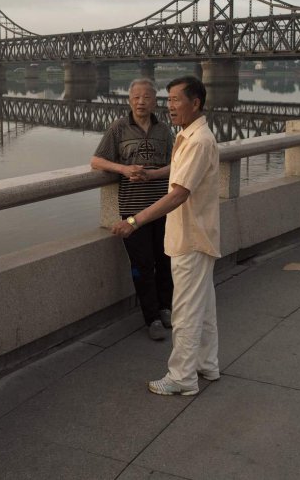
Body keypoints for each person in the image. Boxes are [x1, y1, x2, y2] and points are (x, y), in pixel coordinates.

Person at [111, 75, 220, 396]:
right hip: (198, 234)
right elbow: (178, 174)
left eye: (175, 100)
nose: (169, 105)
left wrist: (134, 220)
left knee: (185, 311)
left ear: (195, 103)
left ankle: (182, 378)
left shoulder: (198, 141)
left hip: (191, 237)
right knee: (205, 309)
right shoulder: (190, 135)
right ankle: (207, 364)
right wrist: (151, 173)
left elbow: (178, 194)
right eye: (169, 99)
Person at [91, 78, 174, 340]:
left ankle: (166, 308)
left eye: (146, 97)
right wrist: (124, 169)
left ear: (155, 101)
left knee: (165, 261)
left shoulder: (165, 130)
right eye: (136, 97)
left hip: (162, 207)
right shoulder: (118, 128)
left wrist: (154, 173)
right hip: (133, 210)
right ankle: (151, 318)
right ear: (129, 100)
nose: (141, 102)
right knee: (142, 264)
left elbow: (177, 165)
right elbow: (96, 161)